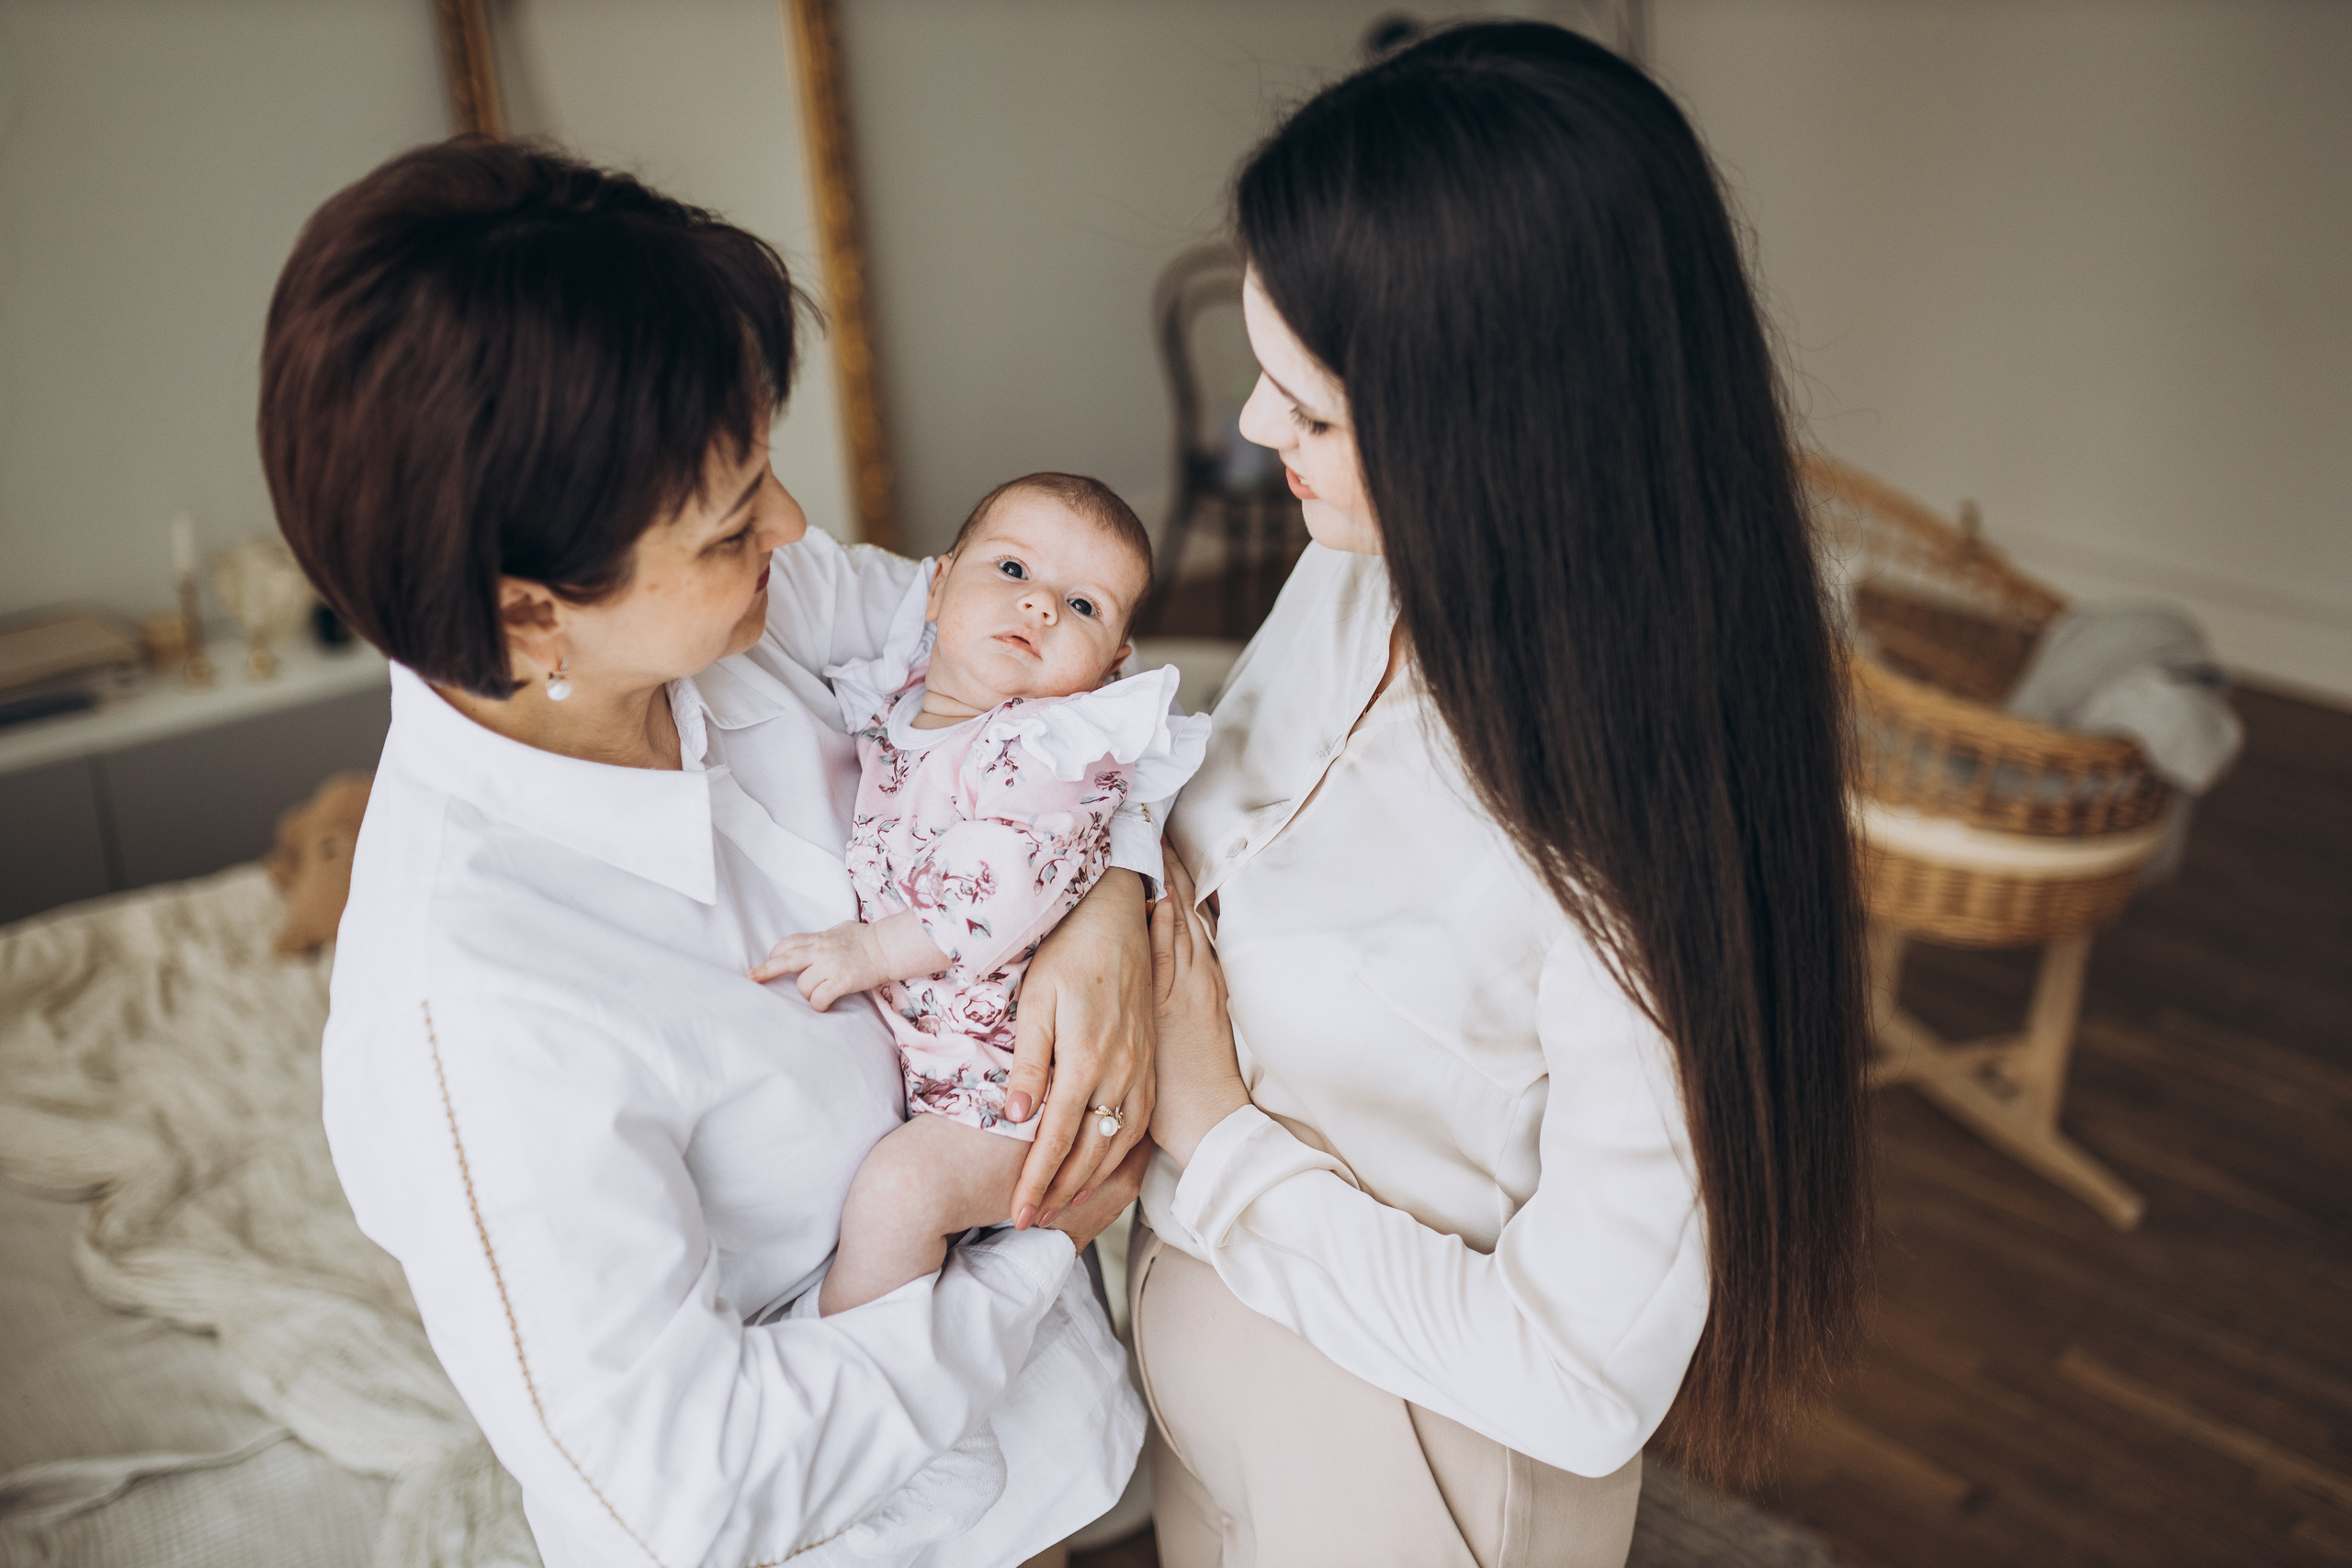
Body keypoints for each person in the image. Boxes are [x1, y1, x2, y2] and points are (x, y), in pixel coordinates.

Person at [260, 139, 1157, 1568]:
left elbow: (1087, 709)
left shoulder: (754, 612)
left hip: (1051, 1479)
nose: (795, 531)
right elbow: (699, 1492)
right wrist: (1044, 1235)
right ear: (530, 617)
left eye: (765, 474)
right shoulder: (474, 1016)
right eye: (734, 520)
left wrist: (1114, 900)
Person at [1136, 23, 1872, 1568]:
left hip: (1413, 1473)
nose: (1257, 430)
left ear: (1498, 440)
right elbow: (1227, 803)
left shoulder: (1633, 846)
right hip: (1211, 1382)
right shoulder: (1364, 577)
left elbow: (1584, 1377)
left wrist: (1215, 1135)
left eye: (1312, 409)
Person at [754, 472, 1208, 1317]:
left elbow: (996, 887)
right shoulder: (894, 700)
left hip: (1012, 1089)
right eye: (1011, 571)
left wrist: (871, 951)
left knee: (899, 1194)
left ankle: (871, 1375)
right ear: (936, 584)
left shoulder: (1044, 755)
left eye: (1082, 606)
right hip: (940, 1073)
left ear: (1111, 669)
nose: (1039, 606)